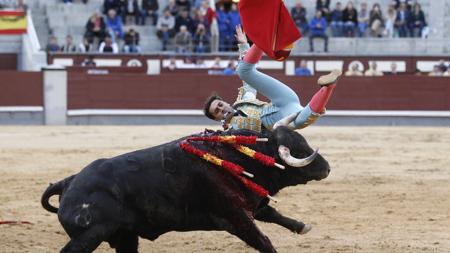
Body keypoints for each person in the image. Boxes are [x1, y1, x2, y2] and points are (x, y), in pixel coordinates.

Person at [203, 25, 341, 132]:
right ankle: (329, 86)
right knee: (300, 121)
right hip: (284, 117)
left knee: (243, 71)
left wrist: (244, 45)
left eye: (220, 105)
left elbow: (248, 83)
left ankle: (264, 37)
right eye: (217, 111)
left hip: (282, 99)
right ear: (216, 119)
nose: (221, 110)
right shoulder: (231, 132)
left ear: (225, 102)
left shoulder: (243, 101)